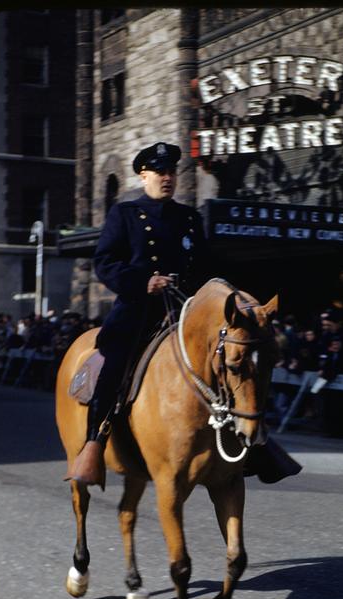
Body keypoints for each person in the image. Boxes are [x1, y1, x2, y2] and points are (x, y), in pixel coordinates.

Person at [67, 142, 208, 485]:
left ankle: (253, 440)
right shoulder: (125, 214)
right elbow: (105, 262)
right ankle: (95, 443)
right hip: (138, 309)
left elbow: (205, 264)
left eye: (172, 172)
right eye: (161, 172)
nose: (168, 178)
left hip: (183, 308)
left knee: (229, 357)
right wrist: (144, 281)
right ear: (143, 175)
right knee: (115, 362)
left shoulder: (190, 218)